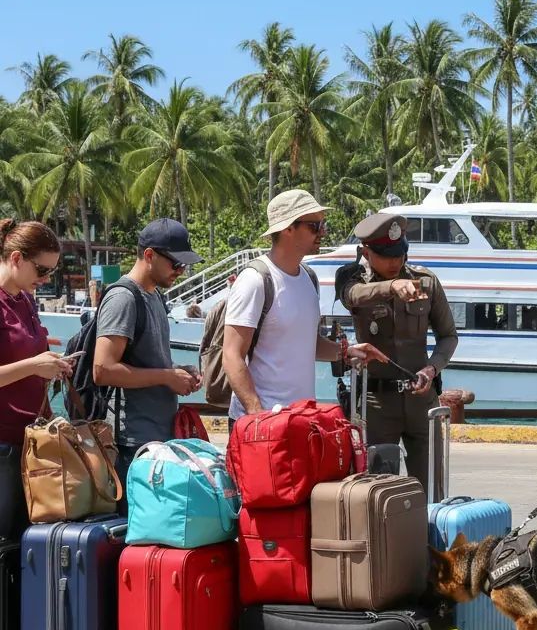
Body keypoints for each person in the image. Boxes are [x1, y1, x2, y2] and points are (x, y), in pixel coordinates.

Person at [223, 190, 384, 432]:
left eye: (322, 224)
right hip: (262, 422)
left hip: (302, 419)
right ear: (288, 228)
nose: (323, 232)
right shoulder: (255, 280)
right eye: (315, 226)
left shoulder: (309, 278)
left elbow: (308, 344)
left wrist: (346, 352)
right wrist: (258, 415)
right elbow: (232, 355)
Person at [337, 212, 458, 497]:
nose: (395, 262)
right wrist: (391, 287)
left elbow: (448, 337)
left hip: (421, 400)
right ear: (366, 251)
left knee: (430, 490)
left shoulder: (426, 282)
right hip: (376, 405)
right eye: (386, 255)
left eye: (400, 254)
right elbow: (352, 296)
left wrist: (431, 369)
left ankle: (429, 542)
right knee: (377, 492)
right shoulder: (351, 278)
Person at [94, 218, 204, 491]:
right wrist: (167, 377)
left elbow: (147, 361)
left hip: (157, 437)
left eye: (184, 264)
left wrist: (178, 372)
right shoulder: (123, 298)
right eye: (175, 263)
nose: (181, 270)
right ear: (149, 255)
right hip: (132, 443)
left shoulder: (155, 296)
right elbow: (103, 369)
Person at [0, 220, 77, 539]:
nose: (46, 280)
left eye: (52, 273)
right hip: (4, 446)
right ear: (16, 258)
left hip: (32, 442)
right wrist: (34, 364)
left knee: (26, 543)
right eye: (42, 270)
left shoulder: (25, 300)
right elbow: (26, 363)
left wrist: (50, 361)